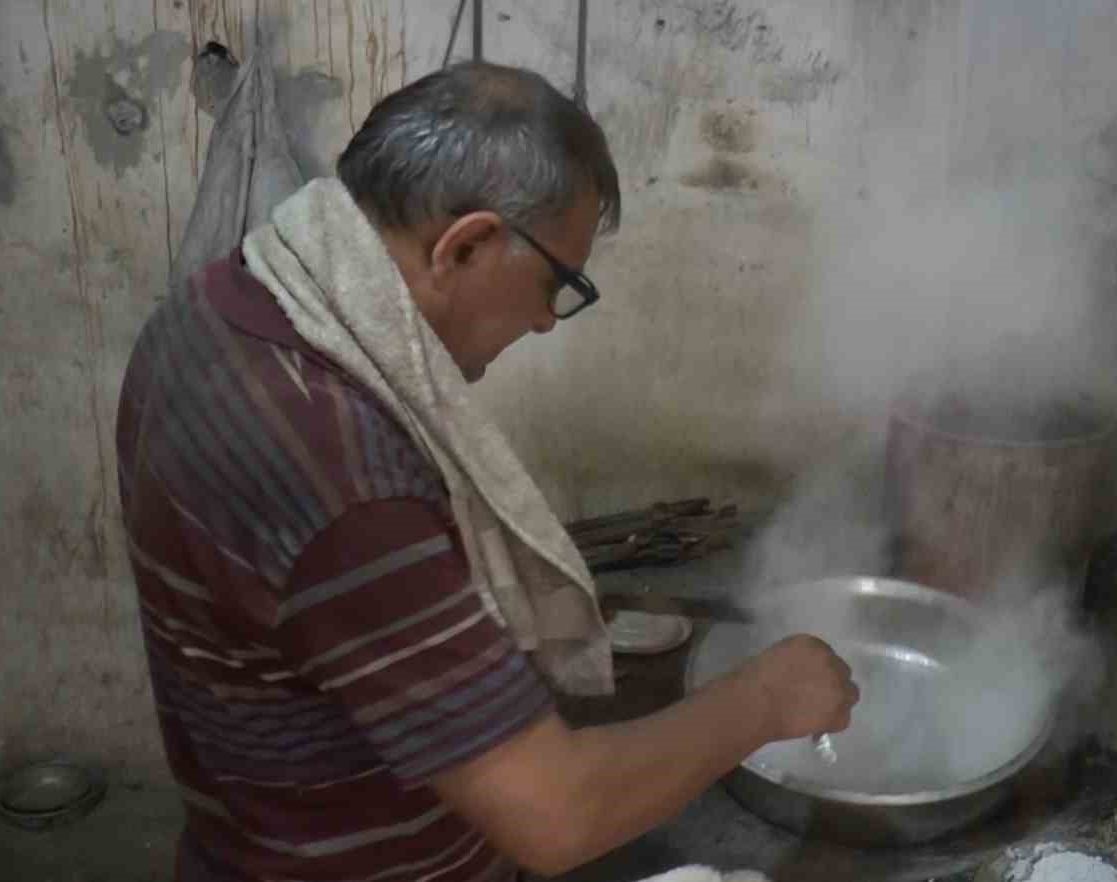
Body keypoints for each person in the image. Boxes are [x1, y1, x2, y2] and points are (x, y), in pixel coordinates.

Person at [116, 61, 860, 882]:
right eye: (557, 283)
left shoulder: (213, 308)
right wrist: (765, 698)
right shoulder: (339, 468)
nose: (546, 322)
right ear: (464, 244)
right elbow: (555, 815)